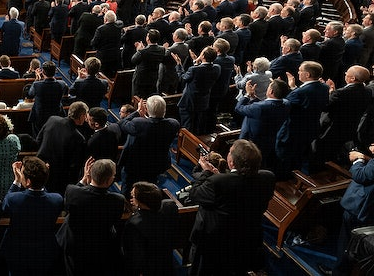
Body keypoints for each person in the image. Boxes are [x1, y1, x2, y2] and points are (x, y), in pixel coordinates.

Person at [189, 139, 276, 276]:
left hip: (214, 244)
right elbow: (240, 189)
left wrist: (206, 172)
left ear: (232, 162)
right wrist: (220, 178)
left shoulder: (218, 182)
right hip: (246, 240)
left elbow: (195, 194)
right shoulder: (268, 178)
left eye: (229, 152)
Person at [56, 157, 126, 276]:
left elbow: (70, 202)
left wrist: (83, 180)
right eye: (113, 175)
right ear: (109, 180)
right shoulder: (117, 200)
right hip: (101, 249)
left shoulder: (72, 191)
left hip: (74, 247)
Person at [0, 157, 64, 276]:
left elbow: (5, 206)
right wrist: (42, 179)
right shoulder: (57, 200)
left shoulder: (13, 199)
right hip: (45, 253)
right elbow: (46, 197)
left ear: (28, 181)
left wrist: (17, 181)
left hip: (17, 253)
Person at [118, 95, 180, 197]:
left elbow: (122, 123)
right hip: (156, 164)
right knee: (149, 190)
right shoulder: (173, 124)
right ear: (164, 109)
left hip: (134, 165)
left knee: (127, 190)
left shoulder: (139, 123)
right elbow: (156, 124)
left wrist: (138, 112)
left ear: (146, 109)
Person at [329, 141, 374, 276]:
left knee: (347, 245)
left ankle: (339, 272)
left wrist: (357, 160)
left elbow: (362, 175)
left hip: (360, 209)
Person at [122, 181, 177, 276]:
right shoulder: (168, 209)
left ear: (142, 201)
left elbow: (135, 254)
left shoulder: (134, 223)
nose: (132, 198)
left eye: (133, 196)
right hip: (166, 263)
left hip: (148, 268)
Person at [36, 101, 89, 194]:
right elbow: (74, 166)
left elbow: (38, 140)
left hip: (40, 166)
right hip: (59, 178)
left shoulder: (52, 119)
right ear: (81, 116)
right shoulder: (78, 138)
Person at [174, 46, 221, 134]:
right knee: (197, 125)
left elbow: (183, 78)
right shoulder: (217, 68)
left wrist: (179, 65)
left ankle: (185, 144)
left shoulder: (194, 69)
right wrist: (196, 62)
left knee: (187, 125)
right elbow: (201, 71)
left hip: (189, 102)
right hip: (203, 101)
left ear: (203, 56)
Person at [28, 61, 67, 136]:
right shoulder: (62, 84)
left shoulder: (37, 84)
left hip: (40, 118)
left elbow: (30, 94)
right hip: (56, 115)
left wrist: (37, 79)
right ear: (55, 71)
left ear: (43, 71)